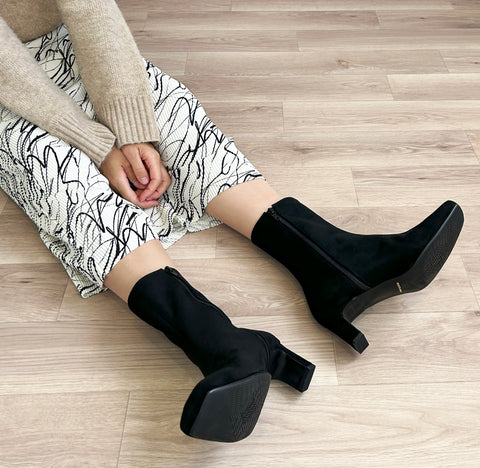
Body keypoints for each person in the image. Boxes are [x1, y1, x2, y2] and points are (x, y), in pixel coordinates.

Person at [0, 0, 464, 443]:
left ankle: (338, 266)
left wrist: (133, 132)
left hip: (65, 40)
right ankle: (223, 347)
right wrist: (95, 145)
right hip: (6, 90)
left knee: (166, 111)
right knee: (54, 167)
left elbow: (91, 9)